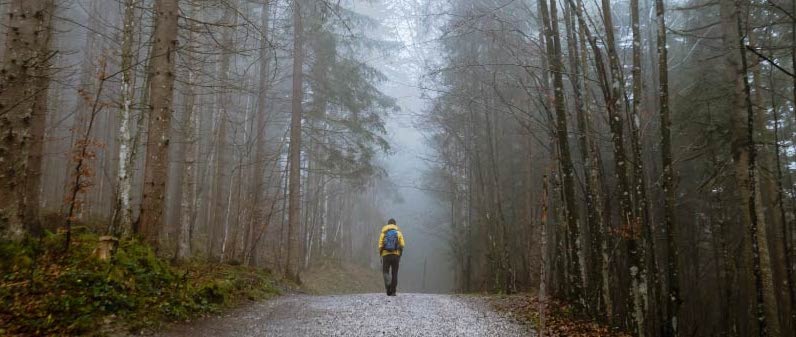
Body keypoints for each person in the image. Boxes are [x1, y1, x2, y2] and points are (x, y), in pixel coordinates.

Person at [378, 218, 405, 296]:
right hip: (396, 255)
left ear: (388, 224)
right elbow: (402, 244)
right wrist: (399, 252)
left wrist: (381, 253)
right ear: (395, 224)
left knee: (385, 272)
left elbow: (380, 245)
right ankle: (393, 291)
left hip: (386, 255)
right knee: (394, 273)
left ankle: (388, 287)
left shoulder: (383, 233)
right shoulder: (398, 233)